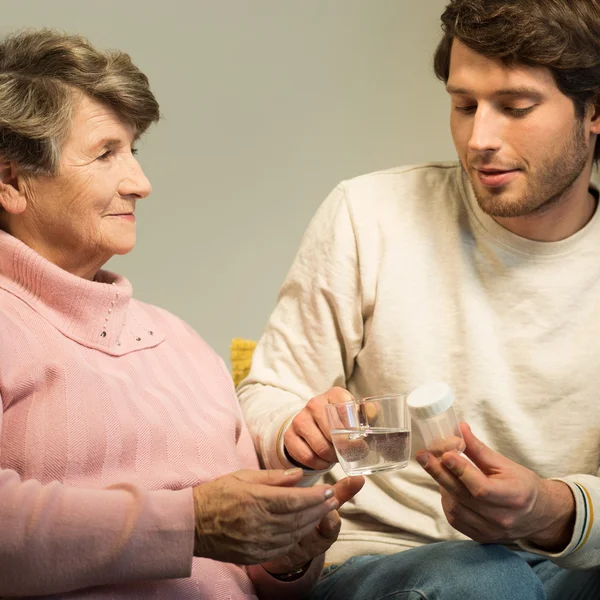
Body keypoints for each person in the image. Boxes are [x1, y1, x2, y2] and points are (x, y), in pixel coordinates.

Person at [237, 0, 600, 598]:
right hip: (387, 563)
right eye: (463, 106)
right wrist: (293, 427)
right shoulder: (369, 214)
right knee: (484, 582)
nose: (479, 138)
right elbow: (268, 394)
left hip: (567, 563)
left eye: (514, 107)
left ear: (594, 109)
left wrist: (552, 510)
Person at [0, 29, 365, 599]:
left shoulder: (181, 343)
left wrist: (287, 556)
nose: (140, 183)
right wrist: (189, 522)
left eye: (133, 151)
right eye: (105, 154)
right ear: (11, 181)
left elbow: (255, 581)